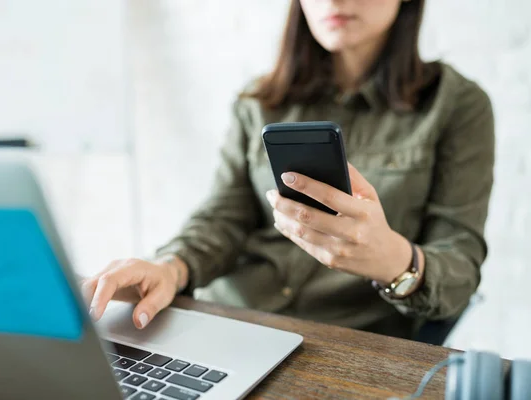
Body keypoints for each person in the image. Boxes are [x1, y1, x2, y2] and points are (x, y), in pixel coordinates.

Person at [82, 0, 494, 339]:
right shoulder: (258, 100)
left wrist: (395, 262)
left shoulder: (457, 105)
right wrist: (170, 267)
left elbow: (459, 264)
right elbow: (223, 218)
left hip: (348, 341)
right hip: (232, 321)